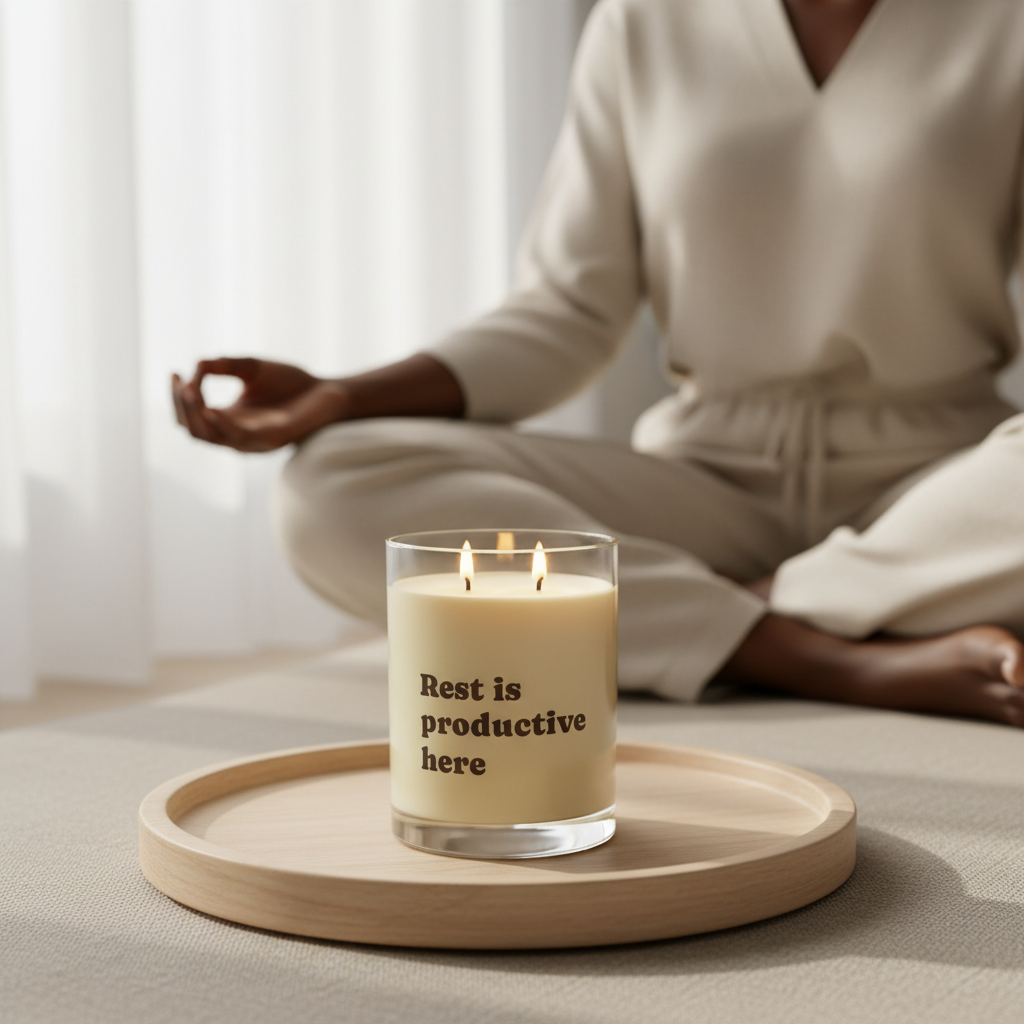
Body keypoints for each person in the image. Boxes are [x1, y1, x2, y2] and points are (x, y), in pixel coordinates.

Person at [172, 0, 1024, 728]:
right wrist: (341, 397)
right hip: (701, 494)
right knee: (333, 485)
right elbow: (565, 313)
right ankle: (837, 655)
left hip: (935, 500)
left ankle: (723, 612)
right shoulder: (644, 21)